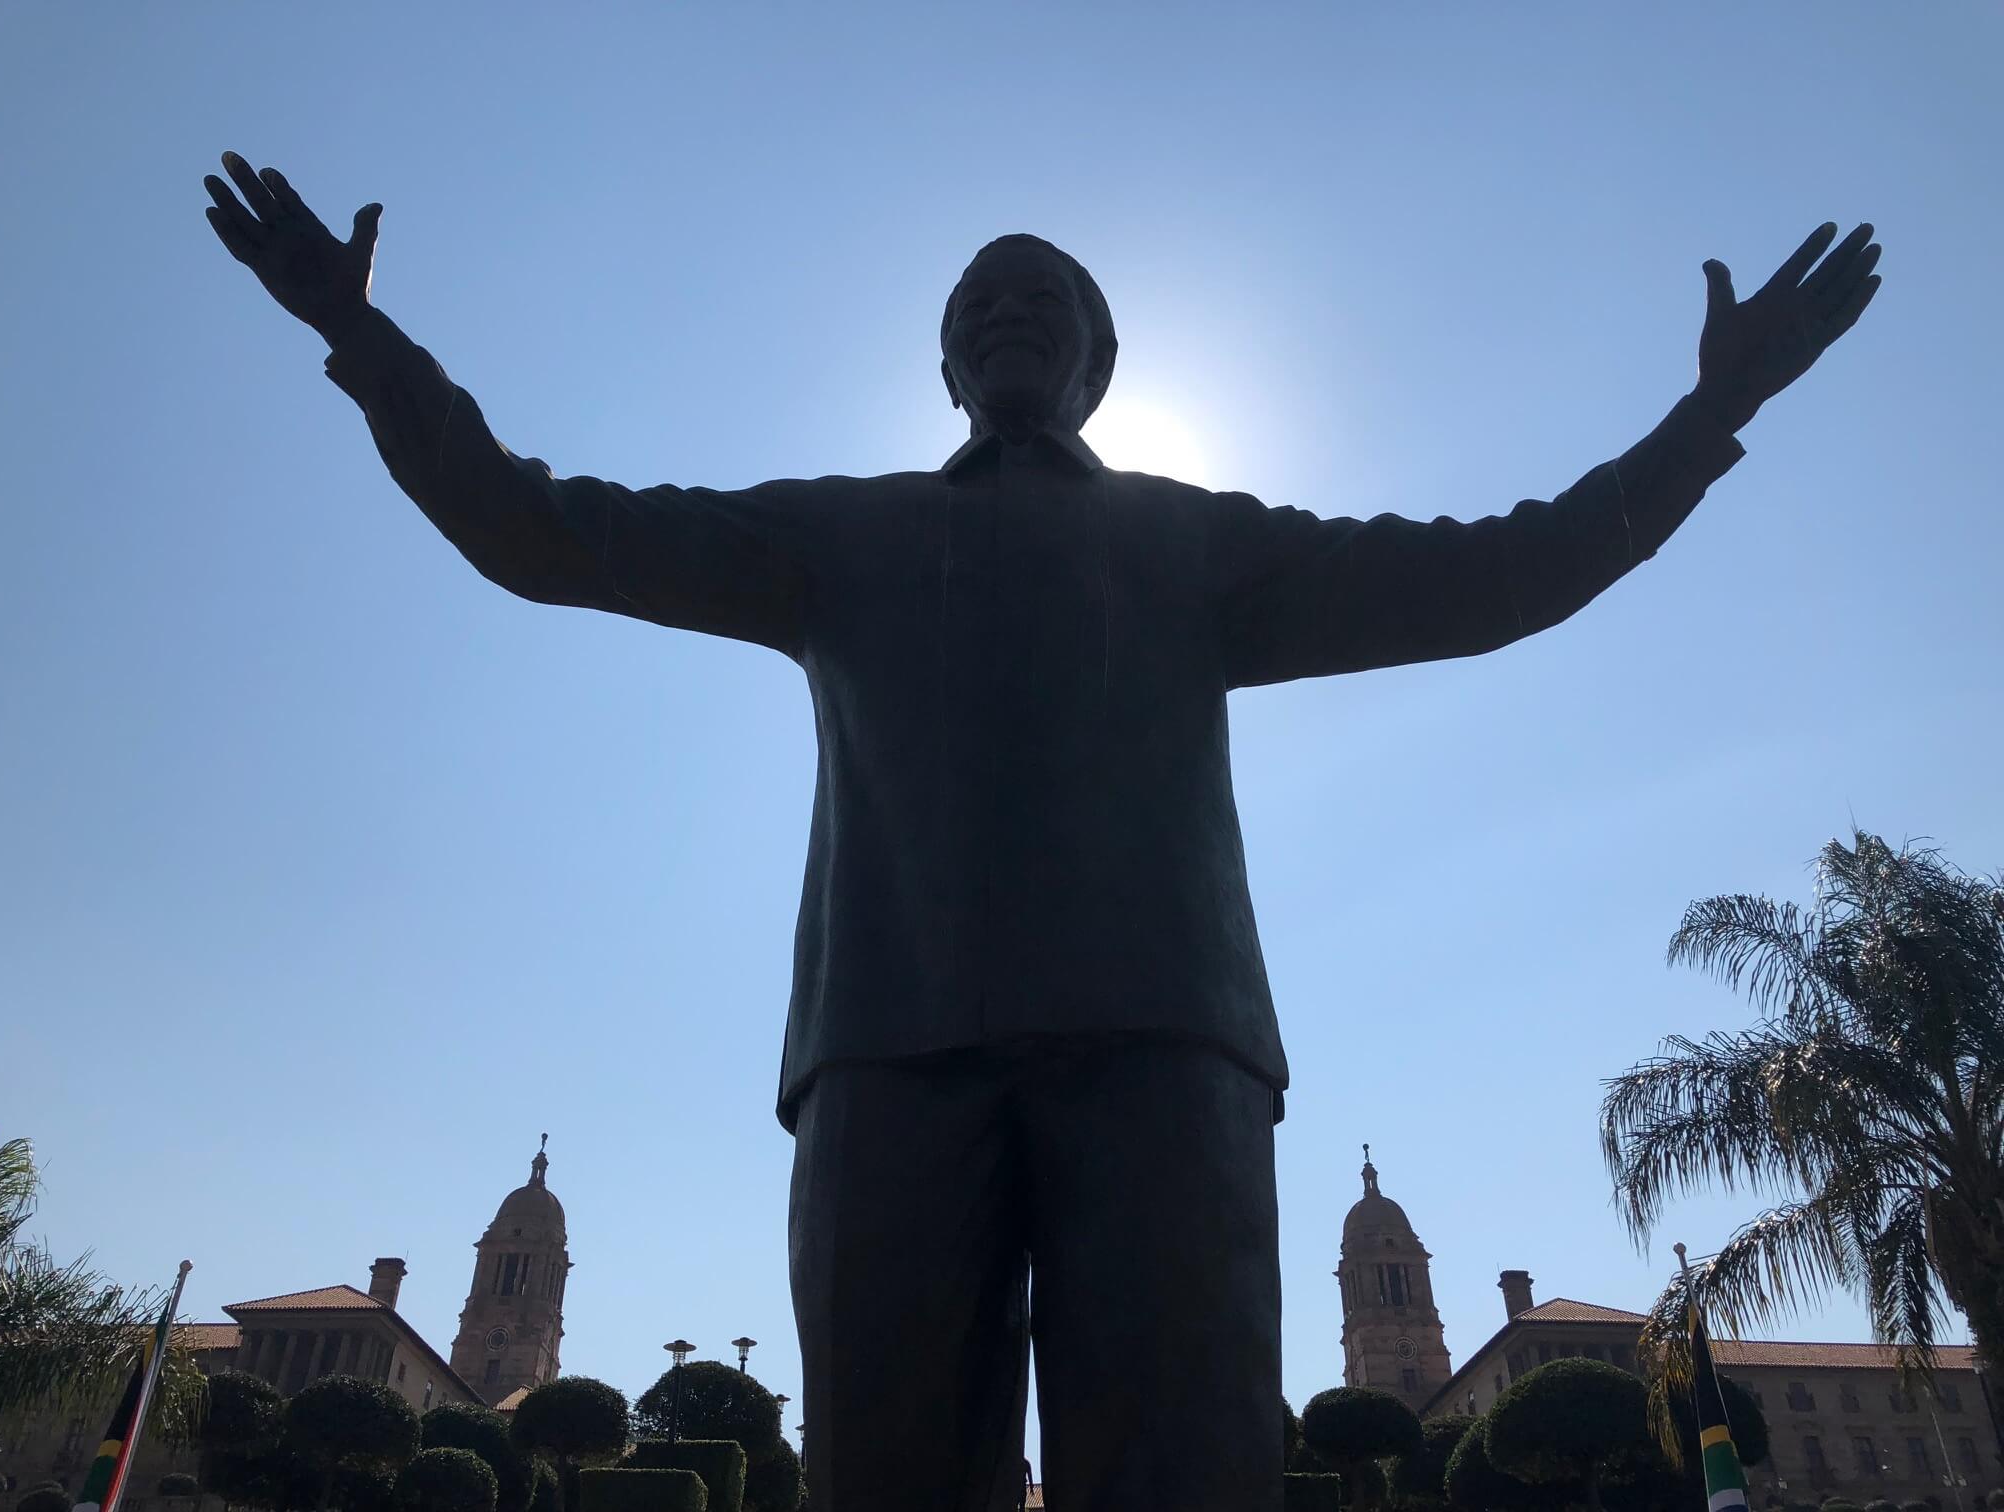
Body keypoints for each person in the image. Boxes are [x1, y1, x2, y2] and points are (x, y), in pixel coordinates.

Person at [203, 152, 1880, 1511]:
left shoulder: (1196, 544)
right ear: (945, 363)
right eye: (981, 305)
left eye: (1046, 304)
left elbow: (1501, 574)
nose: (1012, 320)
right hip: (886, 1052)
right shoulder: (832, 540)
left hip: (1165, 1053)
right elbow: (535, 528)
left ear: (1096, 363)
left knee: (1183, 1477)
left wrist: (1706, 419)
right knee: (890, 1477)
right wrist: (366, 344)